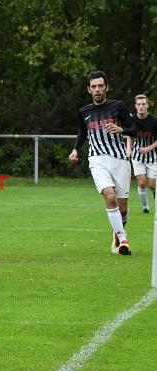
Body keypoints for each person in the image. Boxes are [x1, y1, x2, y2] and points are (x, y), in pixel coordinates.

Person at [68, 70, 138, 255]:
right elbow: (83, 133)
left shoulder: (118, 106)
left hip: (120, 160)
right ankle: (123, 240)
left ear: (107, 87)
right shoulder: (84, 111)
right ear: (89, 90)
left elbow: (134, 129)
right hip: (97, 159)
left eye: (100, 86)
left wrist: (121, 129)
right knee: (110, 197)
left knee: (122, 209)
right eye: (94, 87)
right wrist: (75, 149)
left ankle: (117, 233)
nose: (97, 89)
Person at [126, 94, 157, 213]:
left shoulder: (154, 120)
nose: (141, 106)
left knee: (152, 185)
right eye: (139, 104)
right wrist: (129, 149)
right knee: (142, 182)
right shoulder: (132, 120)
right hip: (137, 157)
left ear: (147, 105)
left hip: (152, 156)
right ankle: (145, 207)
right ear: (135, 106)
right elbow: (130, 137)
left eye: (143, 104)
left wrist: (149, 148)